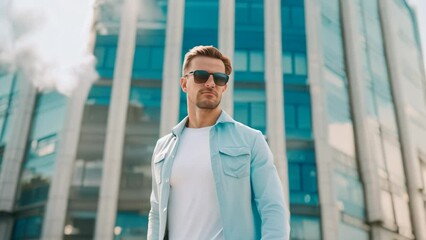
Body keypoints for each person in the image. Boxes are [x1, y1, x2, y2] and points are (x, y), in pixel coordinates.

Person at [147, 45, 290, 240]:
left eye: (219, 79)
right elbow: (156, 212)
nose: (211, 83)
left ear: (224, 86)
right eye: (201, 75)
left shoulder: (251, 140)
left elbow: (273, 208)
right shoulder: (163, 147)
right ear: (184, 84)